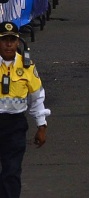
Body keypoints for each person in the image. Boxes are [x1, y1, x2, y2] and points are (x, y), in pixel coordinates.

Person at [0, 23, 48, 198]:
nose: (8, 44)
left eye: (12, 40)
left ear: (18, 43)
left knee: (11, 172)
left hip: (15, 125)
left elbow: (37, 97)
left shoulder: (27, 66)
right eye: (4, 40)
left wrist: (41, 125)